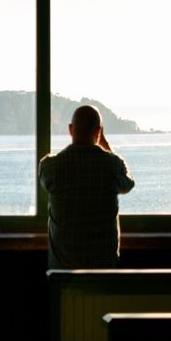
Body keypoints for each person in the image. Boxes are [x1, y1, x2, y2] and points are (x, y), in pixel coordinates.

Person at [38, 104, 135, 269]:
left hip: (62, 274)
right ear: (98, 132)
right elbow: (128, 184)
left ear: (70, 129)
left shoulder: (50, 167)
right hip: (103, 272)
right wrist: (103, 143)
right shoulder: (112, 165)